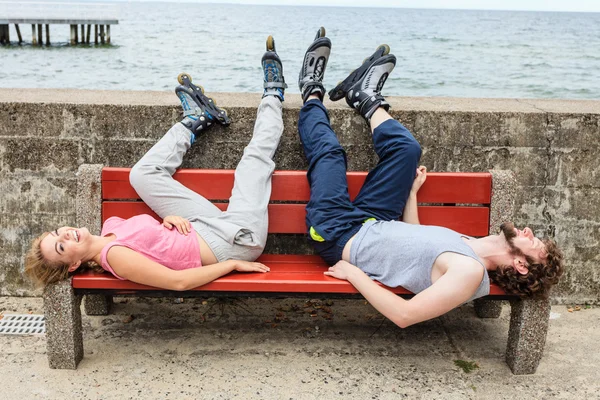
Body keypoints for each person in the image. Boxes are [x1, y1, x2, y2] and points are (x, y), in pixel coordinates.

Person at [296, 28, 564, 328]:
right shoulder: (471, 247)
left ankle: (312, 92)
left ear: (520, 265)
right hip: (377, 219)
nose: (528, 230)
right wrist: (411, 194)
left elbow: (404, 315)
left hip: (340, 233)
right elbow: (414, 244)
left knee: (331, 155)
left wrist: (353, 273)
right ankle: (365, 97)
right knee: (406, 150)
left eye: (533, 242)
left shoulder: (470, 272)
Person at [24, 35, 289, 290]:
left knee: (142, 175)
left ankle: (195, 120)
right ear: (73, 265)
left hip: (200, 226)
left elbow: (159, 247)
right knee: (252, 163)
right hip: (236, 241)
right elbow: (178, 282)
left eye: (57, 232)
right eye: (61, 247)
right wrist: (231, 264)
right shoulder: (114, 256)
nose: (65, 235)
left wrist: (170, 220)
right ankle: (273, 95)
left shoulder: (110, 228)